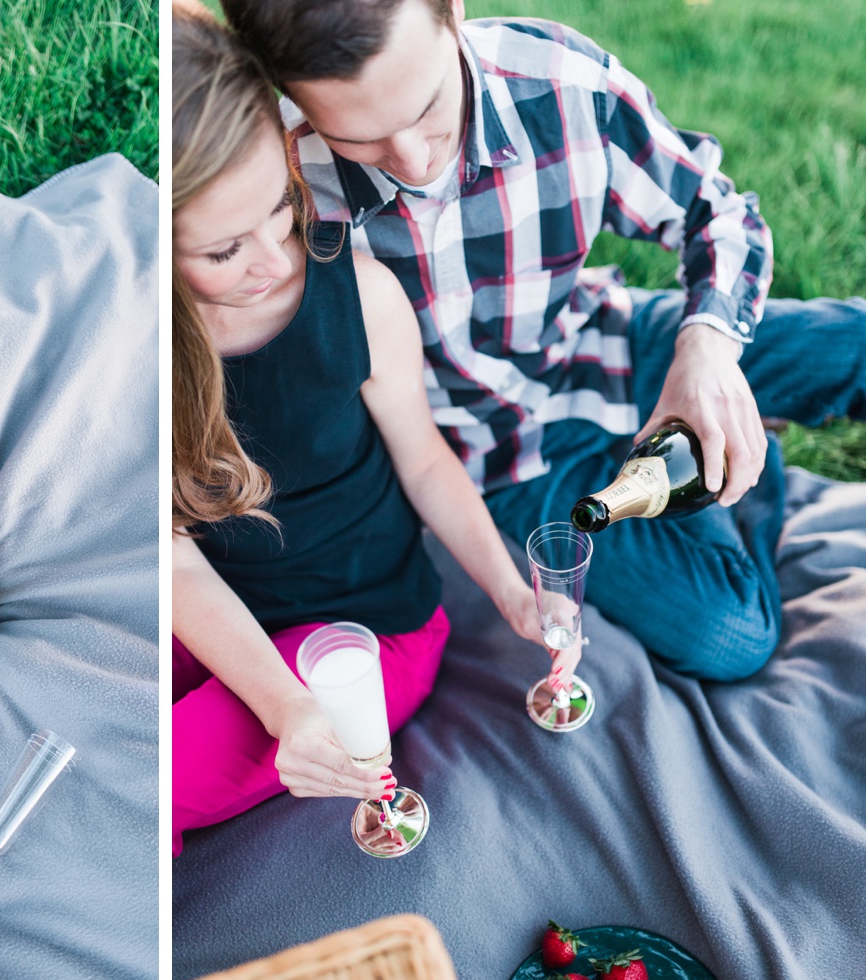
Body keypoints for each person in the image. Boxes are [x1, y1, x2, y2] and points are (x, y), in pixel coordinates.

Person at [220, 0, 866, 683]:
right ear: (287, 94)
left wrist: (706, 348)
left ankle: (717, 445)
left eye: (427, 107)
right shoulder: (280, 197)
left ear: (453, 11)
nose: (411, 161)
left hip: (609, 339)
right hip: (507, 459)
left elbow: (717, 212)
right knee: (730, 632)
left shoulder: (564, 85)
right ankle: (731, 474)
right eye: (359, 138)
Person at [171, 1, 573, 857]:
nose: (276, 260)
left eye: (280, 206)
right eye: (223, 250)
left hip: (356, 632)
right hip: (215, 608)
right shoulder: (149, 349)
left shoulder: (358, 290)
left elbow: (425, 460)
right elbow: (168, 556)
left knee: (152, 779)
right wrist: (273, 698)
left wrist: (507, 591)